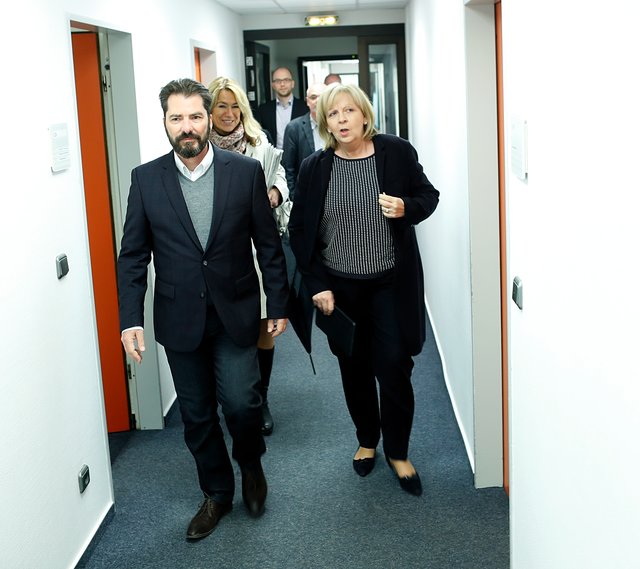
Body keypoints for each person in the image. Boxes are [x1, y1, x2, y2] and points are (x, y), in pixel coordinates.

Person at [117, 78, 289, 540]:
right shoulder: (146, 179)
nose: (187, 126)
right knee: (196, 415)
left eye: (195, 116)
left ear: (209, 118)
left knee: (242, 404)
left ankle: (250, 463)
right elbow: (132, 256)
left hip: (236, 310)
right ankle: (217, 492)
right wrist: (130, 319)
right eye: (177, 118)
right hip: (179, 318)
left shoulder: (244, 172)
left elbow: (267, 243)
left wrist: (277, 301)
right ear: (165, 122)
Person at [288, 83, 439, 496]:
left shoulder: (396, 152)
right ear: (324, 122)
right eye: (332, 114)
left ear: (364, 114)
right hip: (340, 289)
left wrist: (406, 207)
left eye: (348, 111)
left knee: (394, 366)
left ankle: (398, 451)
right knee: (353, 369)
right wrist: (318, 285)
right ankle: (367, 440)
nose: (341, 120)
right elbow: (299, 230)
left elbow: (429, 196)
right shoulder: (315, 167)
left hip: (390, 283)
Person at [207, 75, 288, 436]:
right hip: (218, 253)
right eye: (221, 106)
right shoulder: (200, 148)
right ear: (210, 110)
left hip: (254, 249)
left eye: (234, 106)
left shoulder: (258, 142)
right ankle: (229, 396)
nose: (229, 113)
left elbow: (280, 174)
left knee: (261, 326)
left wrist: (275, 191)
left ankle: (260, 399)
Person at [282, 82, 327, 201]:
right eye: (313, 97)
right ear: (307, 101)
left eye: (322, 97)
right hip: (305, 196)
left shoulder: (337, 125)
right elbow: (288, 168)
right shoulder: (294, 128)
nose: (317, 101)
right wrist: (294, 199)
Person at [254, 67, 307, 150]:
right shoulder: (263, 110)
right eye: (278, 81)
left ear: (292, 83)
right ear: (273, 85)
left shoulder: (305, 108)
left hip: (299, 156)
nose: (282, 84)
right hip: (273, 155)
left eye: (286, 80)